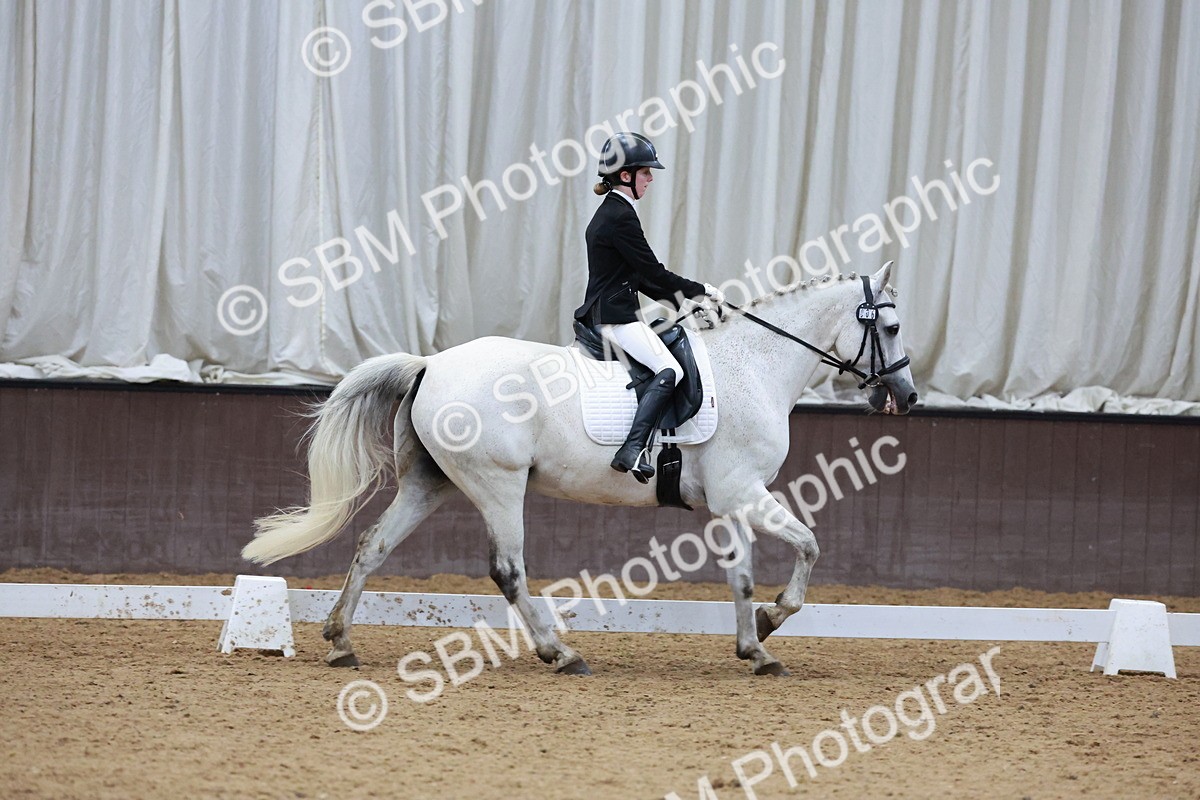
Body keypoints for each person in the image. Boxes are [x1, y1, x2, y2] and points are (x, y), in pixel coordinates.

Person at [572, 132, 724, 482]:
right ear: (626, 176)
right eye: (646, 173)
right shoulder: (620, 217)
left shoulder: (612, 212)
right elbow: (653, 272)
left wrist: (688, 301)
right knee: (670, 371)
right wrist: (701, 290)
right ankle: (634, 447)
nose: (651, 179)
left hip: (609, 311)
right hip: (614, 319)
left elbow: (639, 279)